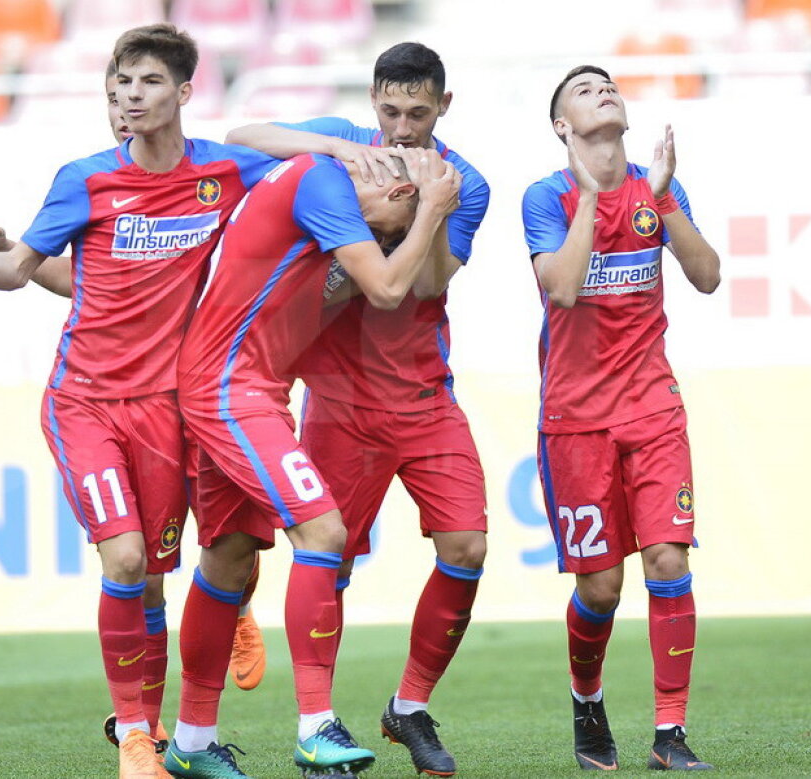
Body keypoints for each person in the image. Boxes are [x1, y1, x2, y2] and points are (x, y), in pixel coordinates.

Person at [0, 24, 278, 779]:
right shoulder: (84, 179)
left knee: (200, 560)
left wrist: (355, 153)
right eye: (120, 82)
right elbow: (24, 268)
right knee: (126, 560)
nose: (130, 95)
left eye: (148, 82)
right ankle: (135, 738)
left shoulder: (224, 171)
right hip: (86, 400)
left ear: (185, 93)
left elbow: (300, 164)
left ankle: (223, 625)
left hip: (175, 404)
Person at [225, 41, 488, 777]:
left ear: (444, 106)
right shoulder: (343, 155)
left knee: (466, 547)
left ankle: (407, 706)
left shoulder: (466, 181)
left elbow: (428, 284)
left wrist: (431, 206)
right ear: (374, 102)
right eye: (391, 110)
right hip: (340, 401)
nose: (403, 127)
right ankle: (319, 720)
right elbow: (242, 140)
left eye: (418, 111)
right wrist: (339, 146)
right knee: (323, 558)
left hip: (425, 397)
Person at [168, 147, 461, 779]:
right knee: (324, 533)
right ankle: (315, 728)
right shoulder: (323, 180)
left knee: (229, 556)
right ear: (400, 193)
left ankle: (191, 741)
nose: (379, 240)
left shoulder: (318, 189)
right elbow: (387, 288)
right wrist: (436, 209)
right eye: (389, 229)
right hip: (228, 390)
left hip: (244, 387)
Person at [521, 65, 721, 772]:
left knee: (668, 559)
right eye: (583, 90)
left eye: (608, 85)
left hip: (653, 407)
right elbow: (565, 288)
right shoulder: (545, 197)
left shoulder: (656, 190)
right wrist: (590, 199)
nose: (603, 91)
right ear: (562, 126)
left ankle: (670, 731)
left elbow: (707, 274)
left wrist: (664, 203)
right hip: (575, 420)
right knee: (600, 587)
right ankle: (586, 697)